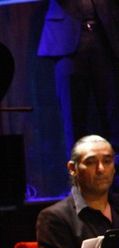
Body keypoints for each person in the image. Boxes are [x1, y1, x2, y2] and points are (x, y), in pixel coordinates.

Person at [37, 0, 119, 159]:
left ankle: (115, 170)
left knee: (114, 115)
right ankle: (78, 171)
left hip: (107, 35)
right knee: (73, 118)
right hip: (67, 37)